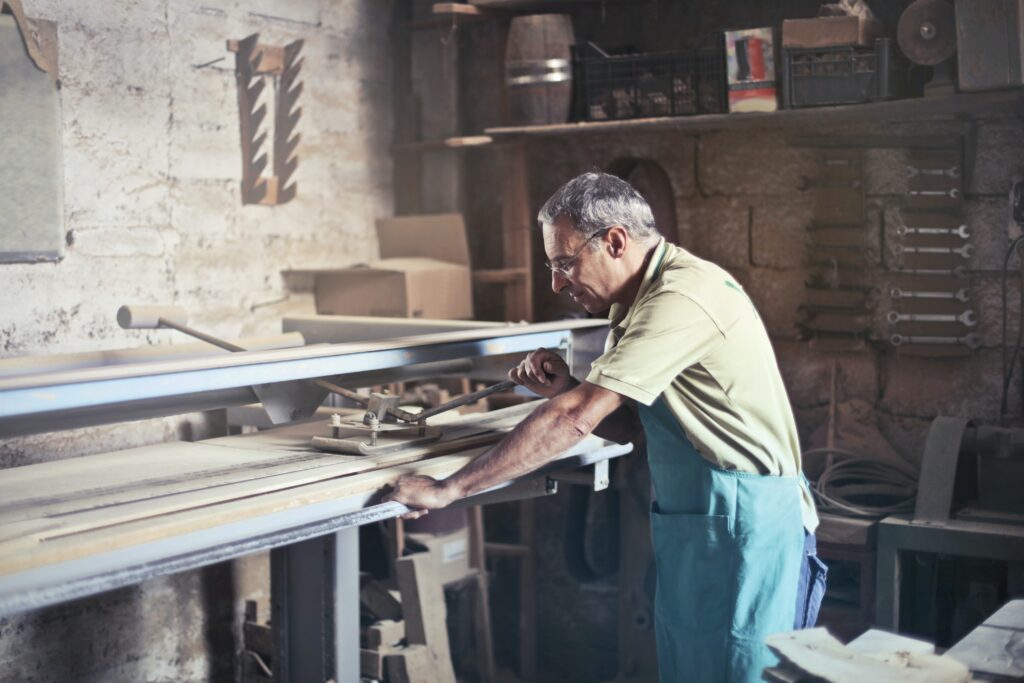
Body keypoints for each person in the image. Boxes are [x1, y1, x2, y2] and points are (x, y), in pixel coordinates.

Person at [385, 171, 825, 682]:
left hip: (749, 528)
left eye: (565, 263)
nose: (556, 282)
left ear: (615, 241)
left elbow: (576, 418)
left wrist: (448, 489)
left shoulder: (681, 297)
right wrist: (567, 386)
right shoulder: (634, 304)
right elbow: (633, 429)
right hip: (704, 524)